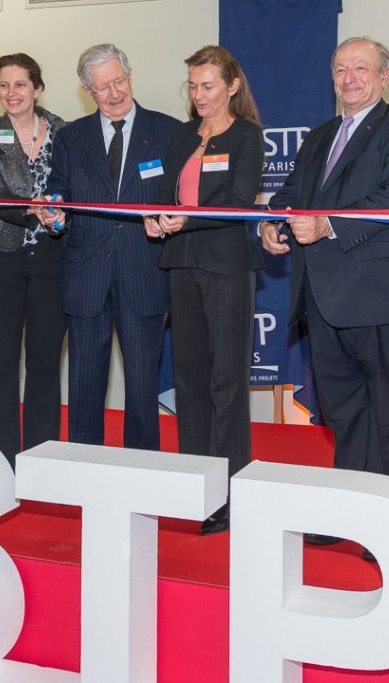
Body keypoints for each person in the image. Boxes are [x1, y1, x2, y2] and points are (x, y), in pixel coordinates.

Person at [259, 37, 389, 546]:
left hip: (386, 298)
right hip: (324, 299)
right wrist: (272, 224)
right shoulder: (319, 136)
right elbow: (290, 196)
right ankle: (351, 515)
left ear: (384, 76)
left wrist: (329, 225)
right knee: (342, 412)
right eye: (341, 70)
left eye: (361, 68)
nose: (350, 78)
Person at [144, 45, 264, 535]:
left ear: (232, 86)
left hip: (226, 266)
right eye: (193, 86)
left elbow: (237, 204)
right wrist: (154, 217)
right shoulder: (180, 135)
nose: (199, 95)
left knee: (226, 383)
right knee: (189, 379)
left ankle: (230, 491)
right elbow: (161, 192)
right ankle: (195, 483)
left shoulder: (248, 136)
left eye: (208, 85)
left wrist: (182, 219)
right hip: (182, 263)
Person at [41, 44, 179, 450]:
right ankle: (85, 468)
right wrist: (53, 210)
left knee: (141, 384)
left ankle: (142, 470)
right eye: (103, 87)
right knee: (84, 384)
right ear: (88, 90)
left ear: (130, 75)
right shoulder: (70, 137)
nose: (115, 93)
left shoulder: (170, 130)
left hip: (145, 272)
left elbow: (179, 198)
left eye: (119, 81)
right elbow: (58, 191)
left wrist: (171, 217)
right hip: (87, 275)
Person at [0, 53, 66, 468]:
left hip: (52, 260)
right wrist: (34, 207)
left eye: (20, 85)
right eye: (4, 85)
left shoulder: (66, 132)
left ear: (38, 88)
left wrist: (58, 210)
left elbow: (74, 185)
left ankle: (42, 459)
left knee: (45, 363)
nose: (12, 93)